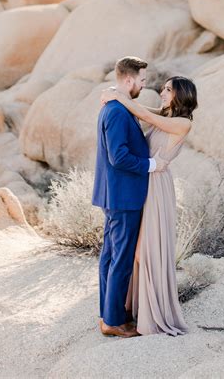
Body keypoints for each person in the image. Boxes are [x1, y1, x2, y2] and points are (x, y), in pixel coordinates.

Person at [100, 74, 198, 336]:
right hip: (144, 183)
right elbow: (149, 112)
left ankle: (153, 312)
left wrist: (118, 96)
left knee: (146, 248)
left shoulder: (181, 123)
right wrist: (118, 96)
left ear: (181, 94)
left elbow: (149, 116)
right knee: (135, 248)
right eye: (163, 88)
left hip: (157, 188)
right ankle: (135, 308)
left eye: (168, 90)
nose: (162, 92)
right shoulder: (167, 114)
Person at [91, 56, 168, 339]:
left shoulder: (116, 107)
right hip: (123, 196)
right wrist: (152, 165)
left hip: (115, 194)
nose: (144, 85)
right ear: (128, 80)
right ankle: (113, 321)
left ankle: (108, 314)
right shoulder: (116, 112)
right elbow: (118, 156)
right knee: (120, 259)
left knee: (111, 256)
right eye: (142, 81)